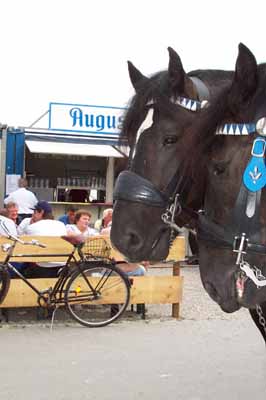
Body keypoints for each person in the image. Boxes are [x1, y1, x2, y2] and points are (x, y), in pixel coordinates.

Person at [21, 201, 67, 277]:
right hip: (62, 265)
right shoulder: (61, 224)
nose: (33, 215)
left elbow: (23, 246)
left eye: (35, 212)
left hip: (43, 267)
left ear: (41, 212)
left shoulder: (32, 227)